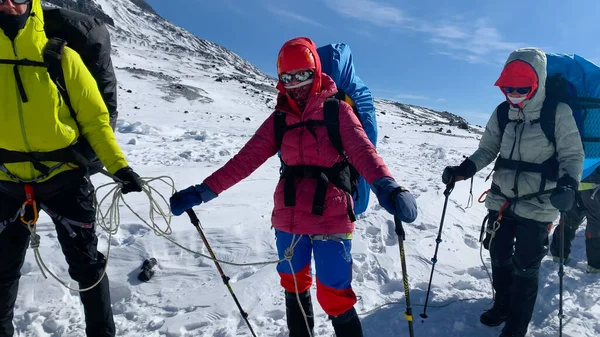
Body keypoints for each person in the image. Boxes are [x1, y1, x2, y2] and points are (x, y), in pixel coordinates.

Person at [169, 37, 418, 337]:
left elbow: (364, 153)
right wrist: (203, 191)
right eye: (287, 77)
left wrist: (389, 188)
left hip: (332, 217)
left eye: (301, 75)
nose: (295, 84)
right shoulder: (279, 120)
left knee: (334, 296)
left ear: (315, 71)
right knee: (294, 289)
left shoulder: (337, 111)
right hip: (288, 220)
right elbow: (244, 161)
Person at [0, 1, 143, 336]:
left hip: (65, 178)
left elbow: (95, 121)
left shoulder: (61, 56)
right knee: (2, 272)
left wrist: (119, 167)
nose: (8, 5)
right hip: (5, 182)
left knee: (88, 268)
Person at [442, 47, 584, 337]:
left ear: (537, 84)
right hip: (502, 201)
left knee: (526, 267)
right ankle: (503, 304)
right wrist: (465, 169)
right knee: (499, 253)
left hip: (540, 203)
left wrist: (569, 185)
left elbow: (572, 155)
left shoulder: (557, 112)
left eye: (522, 88)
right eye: (509, 88)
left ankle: (516, 327)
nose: (514, 93)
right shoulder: (502, 113)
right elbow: (488, 149)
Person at [550, 167, 600, 273]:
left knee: (571, 218)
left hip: (577, 176)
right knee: (596, 222)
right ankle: (595, 266)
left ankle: (559, 254)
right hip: (594, 180)